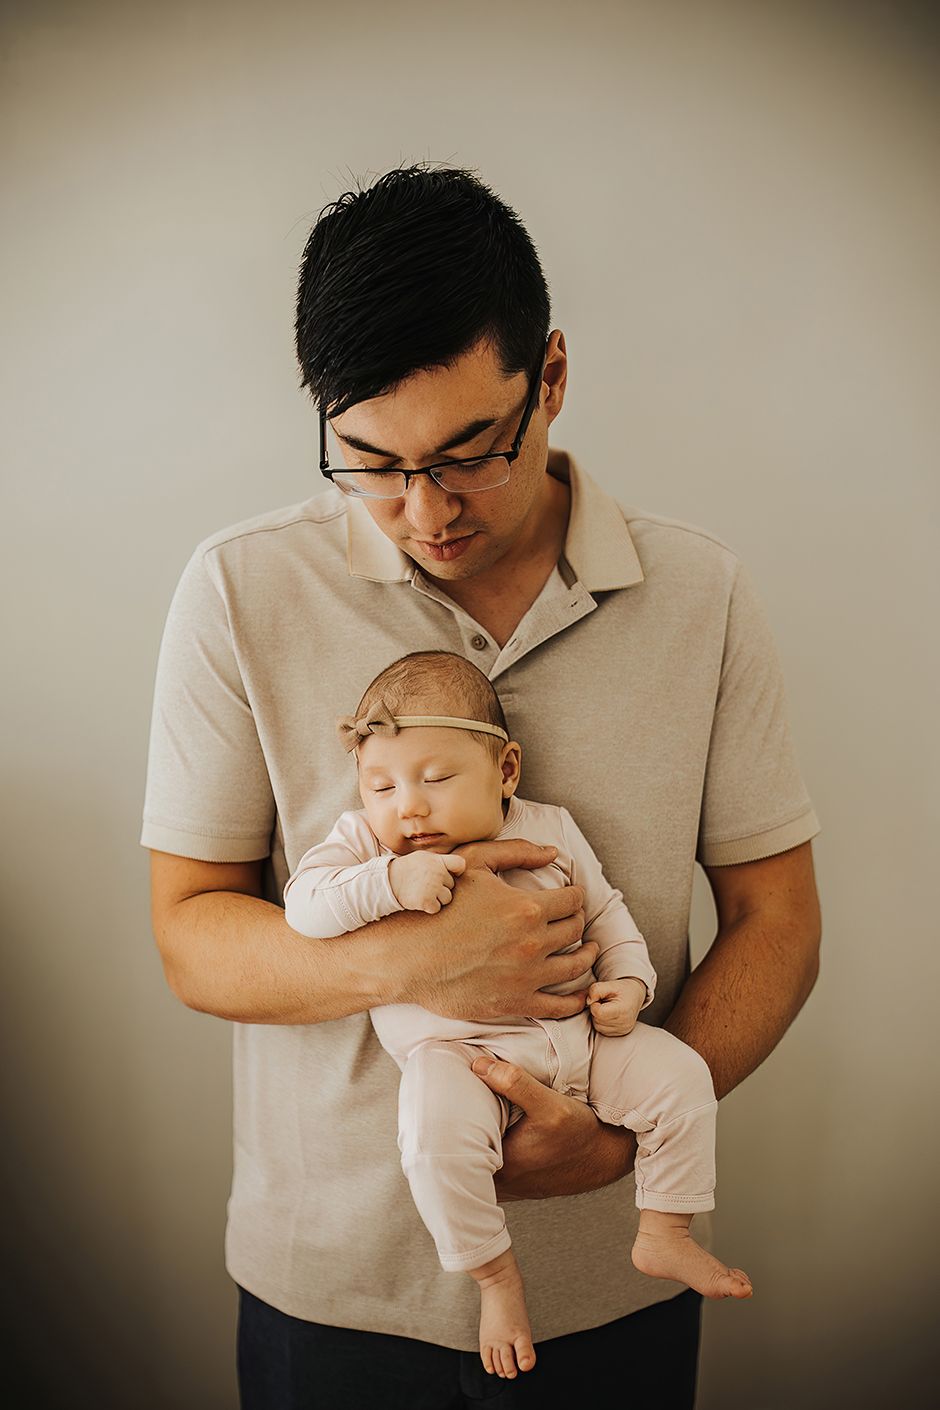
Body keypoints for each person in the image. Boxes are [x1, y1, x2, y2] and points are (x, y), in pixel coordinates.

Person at [144, 164, 820, 1408]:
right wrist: (414, 962)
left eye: (469, 454)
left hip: (611, 1288)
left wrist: (614, 1145)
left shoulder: (703, 595)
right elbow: (191, 936)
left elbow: (778, 923)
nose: (422, 510)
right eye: (369, 461)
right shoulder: (239, 588)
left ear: (549, 380)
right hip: (331, 1289)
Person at [284, 649, 753, 1380]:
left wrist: (629, 982)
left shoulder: (552, 829)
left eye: (437, 779)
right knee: (432, 1142)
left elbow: (607, 912)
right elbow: (306, 909)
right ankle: (495, 1278)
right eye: (381, 785)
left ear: (505, 771)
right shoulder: (367, 844)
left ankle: (665, 1227)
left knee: (682, 1077)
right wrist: (388, 881)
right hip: (460, 1060)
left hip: (584, 1038)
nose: (407, 806)